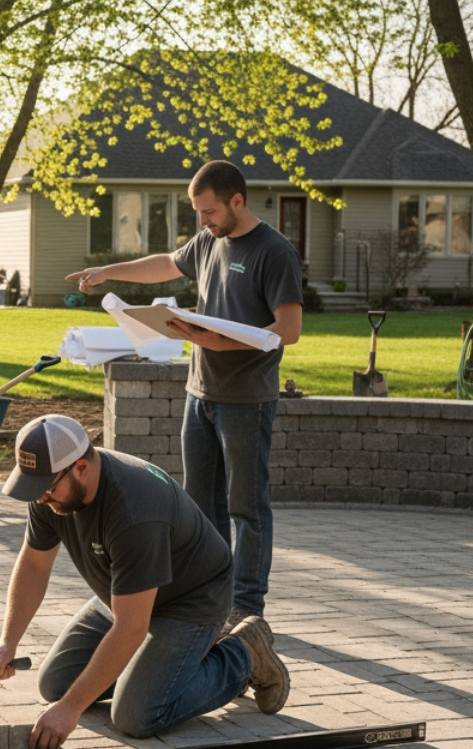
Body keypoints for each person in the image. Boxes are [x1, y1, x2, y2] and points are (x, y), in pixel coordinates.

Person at [65, 161, 302, 640]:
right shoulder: (209, 241)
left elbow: (288, 330)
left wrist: (218, 342)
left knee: (246, 507)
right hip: (200, 394)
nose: (203, 221)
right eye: (198, 212)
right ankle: (208, 596)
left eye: (209, 211)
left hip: (246, 399)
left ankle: (246, 607)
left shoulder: (274, 252)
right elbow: (165, 264)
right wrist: (108, 272)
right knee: (198, 505)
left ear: (238, 200)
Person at [0, 414, 290, 749]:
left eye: (47, 488)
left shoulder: (133, 510)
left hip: (189, 600)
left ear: (81, 467)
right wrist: (8, 641)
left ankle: (243, 654)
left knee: (136, 715)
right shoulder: (51, 488)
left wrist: (70, 710)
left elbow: (132, 627)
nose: (40, 498)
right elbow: (34, 565)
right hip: (126, 591)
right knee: (55, 684)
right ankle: (152, 669)